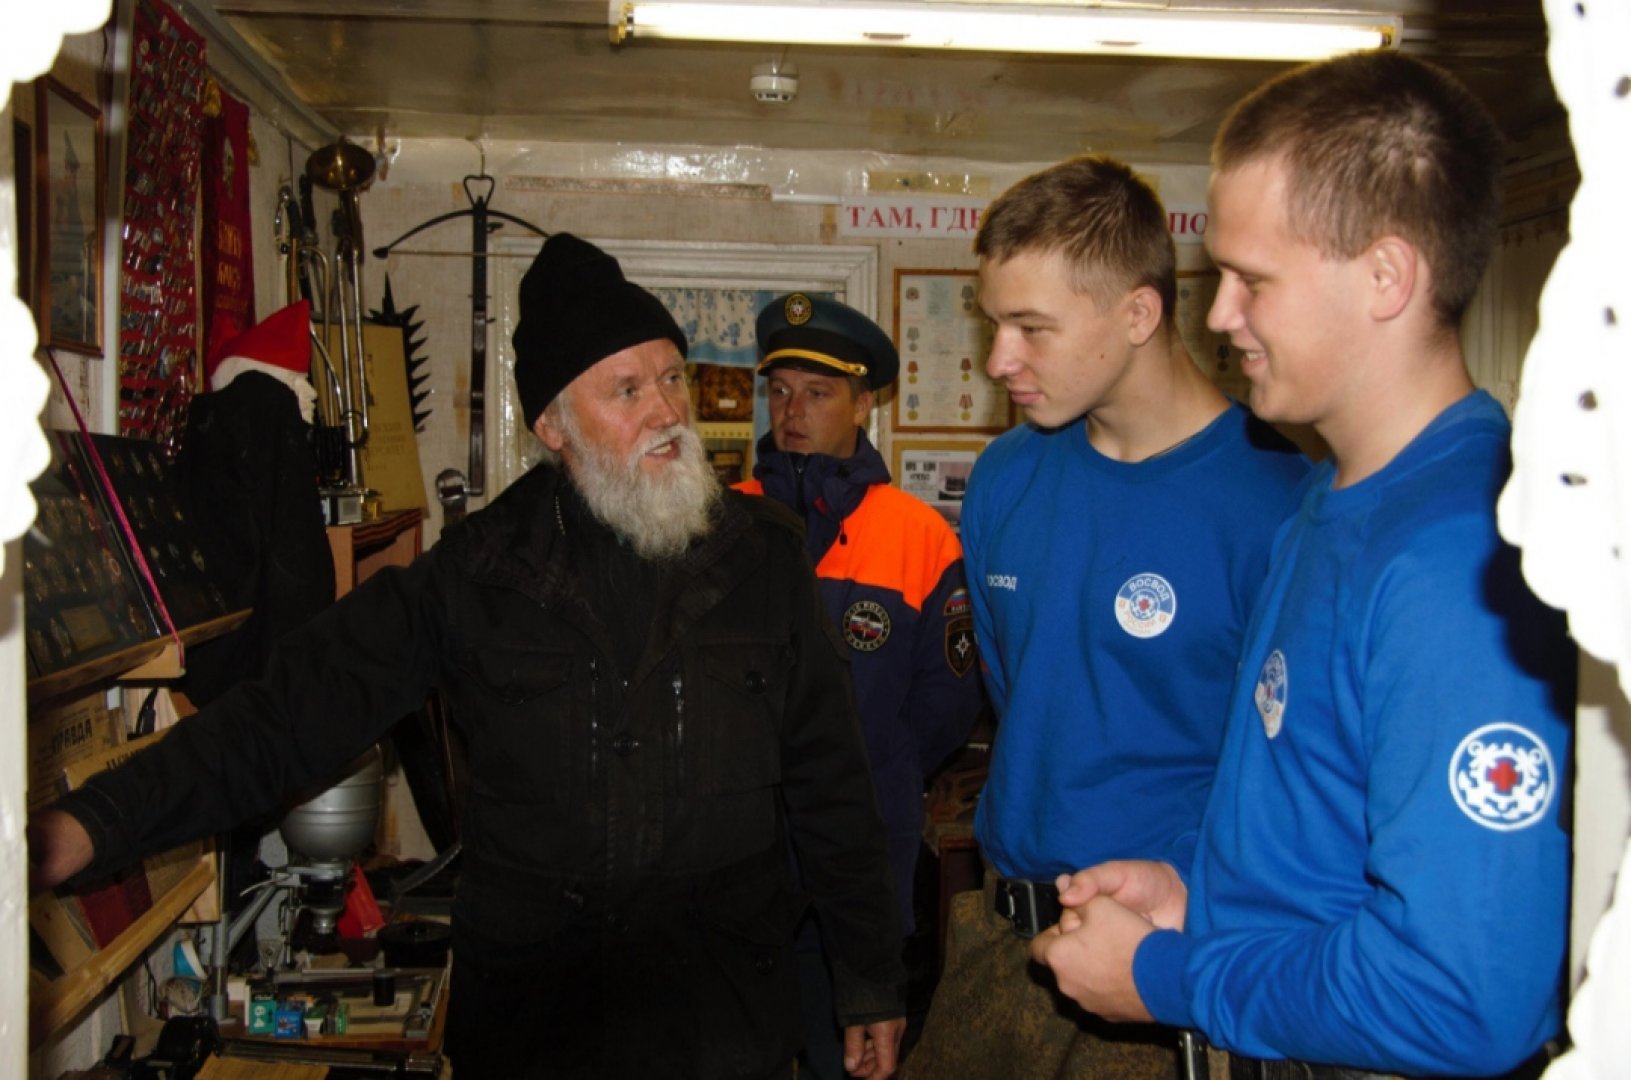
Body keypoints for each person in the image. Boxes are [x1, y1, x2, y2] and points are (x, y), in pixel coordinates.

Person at [28, 233, 909, 1080]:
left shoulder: (762, 560)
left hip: (721, 1026)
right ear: (553, 425)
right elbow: (289, 712)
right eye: (627, 389)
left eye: (671, 377)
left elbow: (832, 782)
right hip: (541, 1034)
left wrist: (869, 976)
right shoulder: (479, 573)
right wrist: (92, 823)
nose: (668, 412)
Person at [1028, 51, 1576, 1080]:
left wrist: (1170, 976)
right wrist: (1198, 893)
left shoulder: (1461, 562)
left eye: (1253, 280)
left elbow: (1462, 999)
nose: (1217, 315)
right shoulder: (1326, 501)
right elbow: (1328, 834)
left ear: (1384, 277)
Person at [901, 155, 1310, 1079]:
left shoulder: (1279, 503)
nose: (999, 360)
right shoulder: (1006, 475)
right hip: (1001, 941)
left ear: (1137, 314)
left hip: (1160, 964)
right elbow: (1016, 690)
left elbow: (1294, 780)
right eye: (993, 323)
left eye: (1031, 328)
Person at [736, 293, 987, 1078]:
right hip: (736, 854)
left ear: (863, 403)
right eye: (780, 391)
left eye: (817, 393)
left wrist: (873, 772)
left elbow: (946, 704)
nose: (792, 412)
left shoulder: (917, 535)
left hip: (863, 859)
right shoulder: (722, 524)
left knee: (847, 1055)